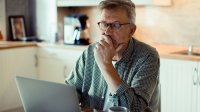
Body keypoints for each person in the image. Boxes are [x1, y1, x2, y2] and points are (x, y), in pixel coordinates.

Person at [65, 0, 160, 111]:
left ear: (131, 30)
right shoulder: (90, 51)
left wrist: (106, 65)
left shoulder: (147, 56)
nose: (107, 32)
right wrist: (73, 102)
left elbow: (134, 109)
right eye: (104, 24)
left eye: (116, 25)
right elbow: (70, 90)